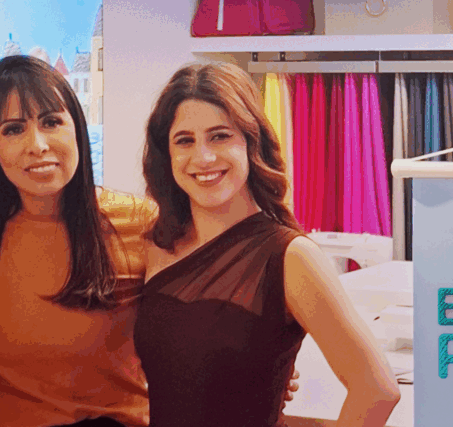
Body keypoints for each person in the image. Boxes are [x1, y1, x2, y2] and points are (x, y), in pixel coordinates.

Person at [135, 62, 400, 427]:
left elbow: (377, 390)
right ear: (167, 154)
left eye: (220, 136)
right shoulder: (156, 245)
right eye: (185, 140)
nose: (203, 157)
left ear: (251, 141)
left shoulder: (290, 256)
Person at [0, 55, 153, 427]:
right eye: (14, 129)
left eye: (51, 122)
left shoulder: (141, 223)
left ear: (77, 128)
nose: (38, 144)